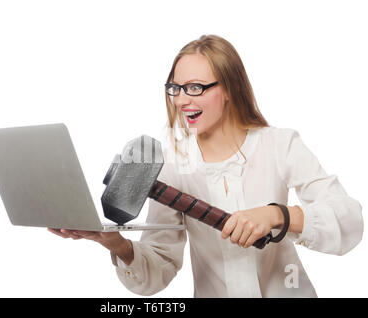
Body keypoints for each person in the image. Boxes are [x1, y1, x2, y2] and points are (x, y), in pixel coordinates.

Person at [48, 34, 363, 297]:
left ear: (229, 90)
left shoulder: (280, 144)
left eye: (195, 87)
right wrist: (118, 245)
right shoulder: (170, 160)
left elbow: (349, 221)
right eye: (175, 88)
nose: (182, 100)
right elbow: (159, 267)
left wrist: (275, 215)